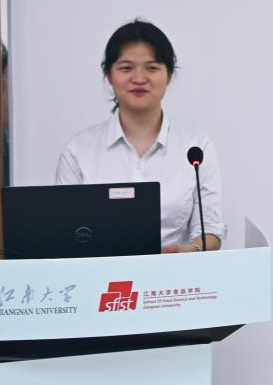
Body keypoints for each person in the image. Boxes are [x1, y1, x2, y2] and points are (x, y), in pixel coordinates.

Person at [56, 19, 226, 253]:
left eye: (152, 68)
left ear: (169, 75)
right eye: (126, 68)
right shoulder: (78, 150)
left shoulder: (196, 148)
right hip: (100, 274)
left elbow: (210, 228)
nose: (138, 78)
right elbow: (67, 232)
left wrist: (192, 250)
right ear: (109, 75)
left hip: (174, 273)